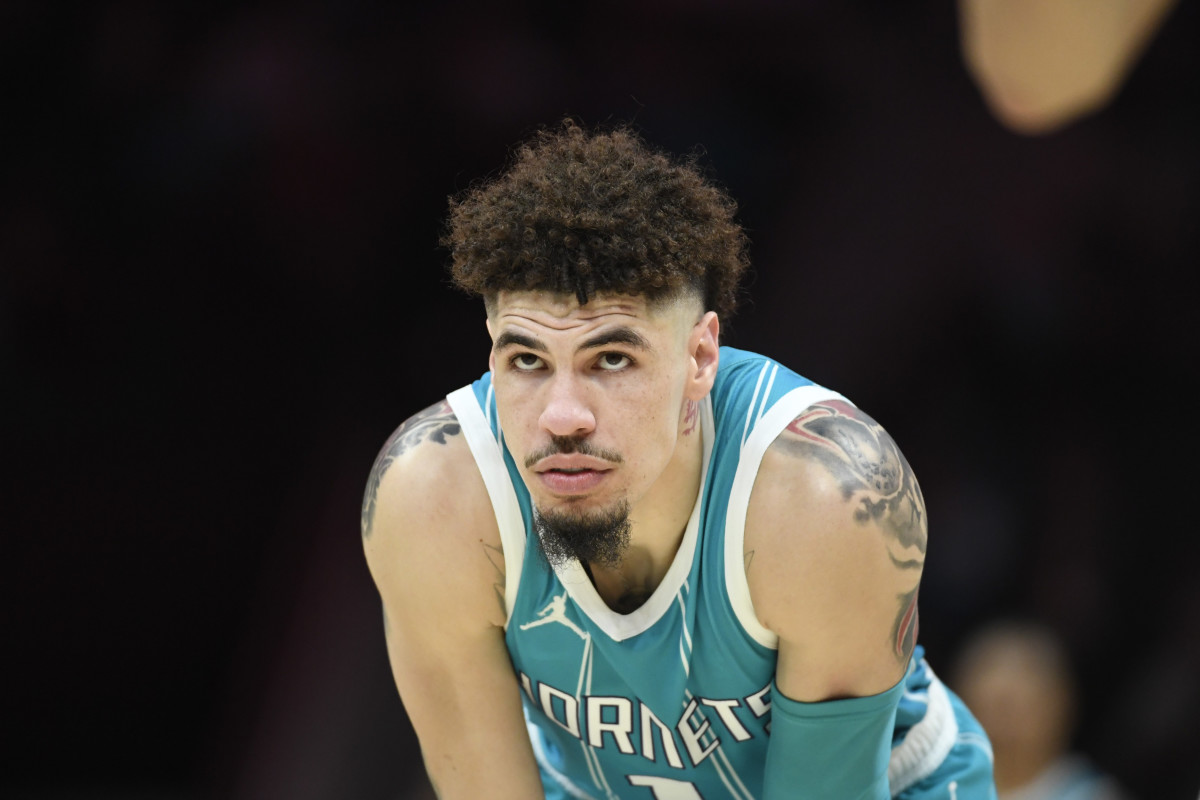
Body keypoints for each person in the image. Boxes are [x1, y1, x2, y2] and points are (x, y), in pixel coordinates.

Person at [362, 119, 997, 799]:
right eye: (527, 360)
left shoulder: (826, 498)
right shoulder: (431, 497)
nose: (562, 417)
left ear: (699, 358)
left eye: (611, 359)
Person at [951, 621, 1128, 800]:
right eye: (987, 708)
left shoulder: (1092, 794)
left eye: (1012, 709)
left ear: (1058, 707)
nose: (1000, 726)